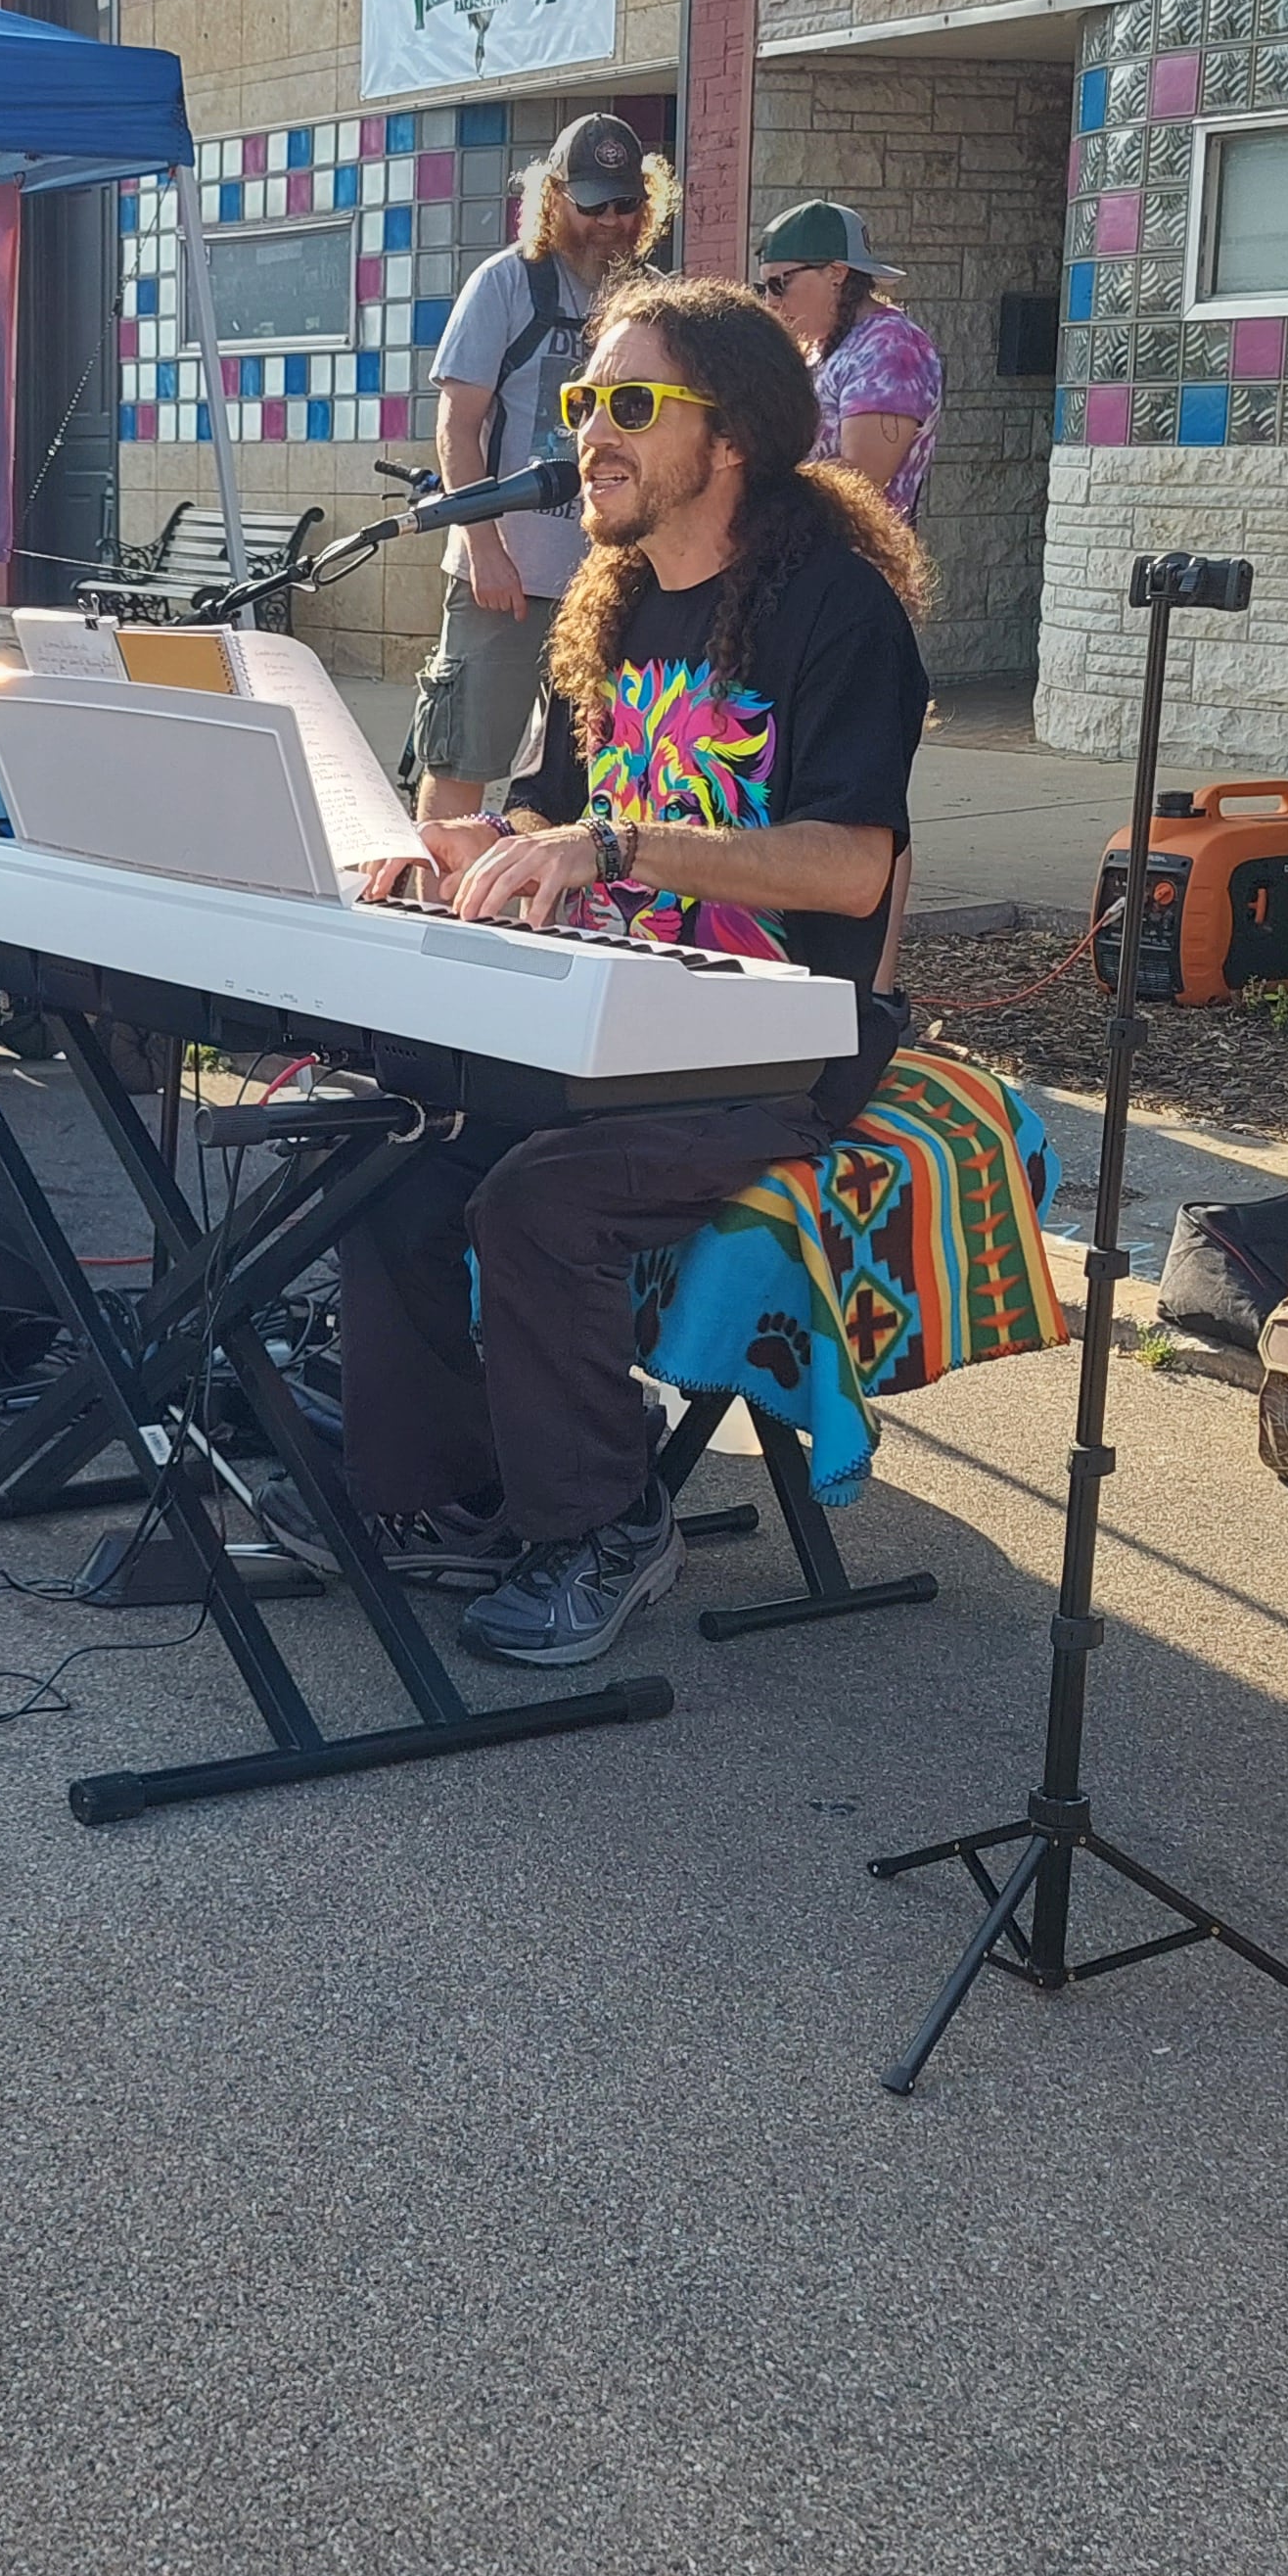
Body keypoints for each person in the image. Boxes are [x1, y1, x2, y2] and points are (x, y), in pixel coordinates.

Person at [334, 274, 932, 1670]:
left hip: (779, 1049)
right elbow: (559, 815)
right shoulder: (603, 609)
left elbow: (851, 869)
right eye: (583, 400)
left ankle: (608, 1524)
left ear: (728, 438)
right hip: (603, 1016)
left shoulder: (835, 610)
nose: (591, 429)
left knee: (539, 1198)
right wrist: (476, 842)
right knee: (384, 1154)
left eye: (630, 404)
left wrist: (620, 846)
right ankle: (453, 1495)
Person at [416, 112, 674, 826]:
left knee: (597, 767)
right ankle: (430, 914)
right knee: (464, 754)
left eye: (626, 203)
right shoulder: (505, 283)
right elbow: (457, 428)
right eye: (593, 204)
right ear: (553, 199)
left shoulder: (652, 299)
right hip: (506, 578)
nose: (611, 221)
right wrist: (484, 549)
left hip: (612, 580)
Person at [754, 199, 943, 519]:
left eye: (779, 284)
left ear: (836, 274)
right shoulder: (822, 346)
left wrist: (753, 485)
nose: (770, 301)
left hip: (854, 558)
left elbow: (863, 476)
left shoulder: (891, 346)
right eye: (763, 287)